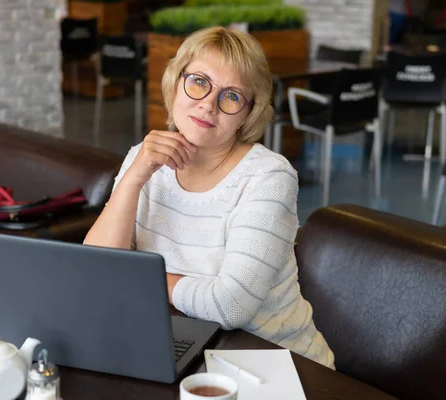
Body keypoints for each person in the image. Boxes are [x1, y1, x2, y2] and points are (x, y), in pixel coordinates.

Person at [84, 26, 335, 368]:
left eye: (230, 95)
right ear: (176, 83)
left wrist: (137, 276)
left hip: (275, 362)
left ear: (248, 112)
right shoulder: (142, 157)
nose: (208, 105)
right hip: (180, 345)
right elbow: (97, 271)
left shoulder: (267, 177)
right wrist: (132, 180)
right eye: (199, 81)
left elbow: (229, 307)